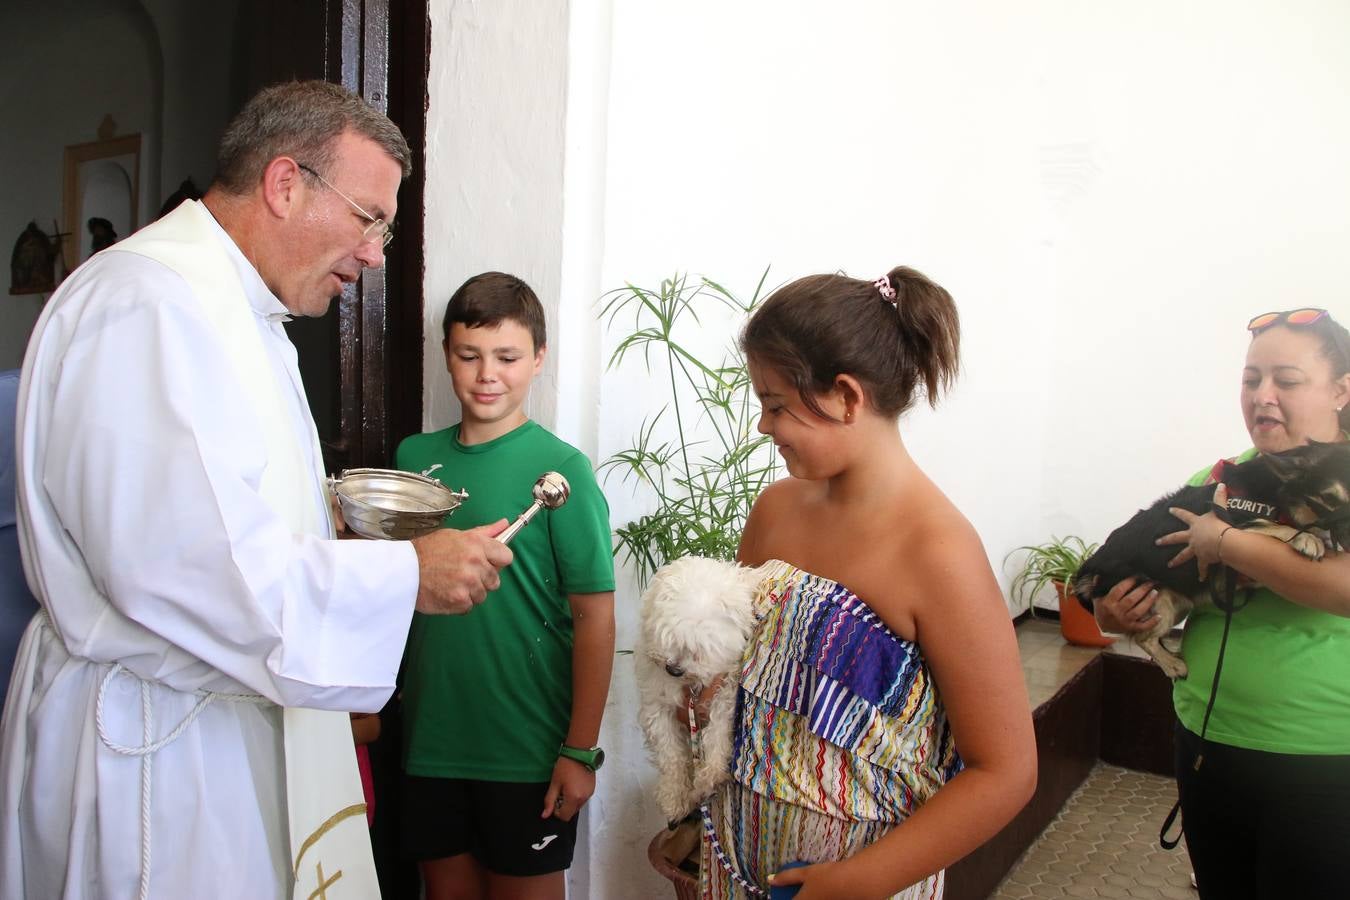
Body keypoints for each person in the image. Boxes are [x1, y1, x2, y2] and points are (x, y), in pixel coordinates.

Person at [0, 80, 514, 900]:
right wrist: (404, 575)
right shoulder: (148, 303)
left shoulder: (243, 317)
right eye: (369, 218)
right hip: (148, 749)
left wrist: (339, 545)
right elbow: (181, 564)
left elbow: (232, 521)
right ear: (284, 184)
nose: (377, 252)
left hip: (213, 718)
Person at [696, 268, 1037, 899]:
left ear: (847, 396)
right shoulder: (774, 510)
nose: (764, 427)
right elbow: (743, 683)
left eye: (775, 405)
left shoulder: (939, 552)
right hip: (736, 860)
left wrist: (859, 881)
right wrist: (700, 817)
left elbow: (1006, 771)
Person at [1094, 308, 1350, 899]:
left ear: (1340, 390)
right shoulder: (1221, 480)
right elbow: (1179, 590)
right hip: (1211, 739)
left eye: (1286, 380)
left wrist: (1227, 542)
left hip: (1325, 759)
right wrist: (1118, 614)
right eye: (1250, 378)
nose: (1263, 397)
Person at [394, 272, 616, 900]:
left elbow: (596, 620)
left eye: (507, 357)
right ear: (447, 355)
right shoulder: (413, 458)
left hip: (527, 749)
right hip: (431, 741)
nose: (487, 373)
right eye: (469, 355)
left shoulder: (563, 471)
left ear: (538, 359)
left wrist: (581, 751)